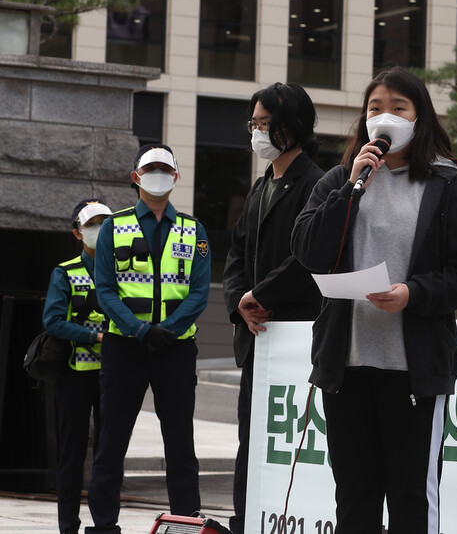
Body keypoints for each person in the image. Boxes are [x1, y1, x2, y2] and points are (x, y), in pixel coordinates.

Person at [291, 66, 457, 534]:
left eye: (398, 108)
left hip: (413, 371)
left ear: (419, 118)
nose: (385, 117)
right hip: (348, 366)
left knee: (410, 500)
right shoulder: (341, 180)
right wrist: (351, 187)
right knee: (355, 499)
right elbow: (307, 250)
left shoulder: (448, 186)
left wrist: (412, 293)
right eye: (375, 108)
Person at [86, 144, 211, 534]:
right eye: (150, 168)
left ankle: (187, 525)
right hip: (126, 347)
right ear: (135, 176)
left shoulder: (195, 230)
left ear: (175, 176)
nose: (157, 173)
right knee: (111, 444)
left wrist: (167, 330)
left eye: (164, 168)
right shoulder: (114, 226)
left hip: (174, 350)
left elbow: (199, 292)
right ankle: (104, 527)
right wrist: (140, 329)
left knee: (180, 446)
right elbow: (105, 289)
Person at [223, 82, 324, 534]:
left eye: (267, 124)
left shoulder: (318, 183)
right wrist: (239, 302)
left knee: (297, 446)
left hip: (297, 337)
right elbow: (235, 253)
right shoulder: (261, 185)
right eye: (255, 124)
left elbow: (309, 255)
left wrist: (261, 295)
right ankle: (247, 519)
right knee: (252, 443)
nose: (258, 133)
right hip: (257, 338)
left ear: (294, 127)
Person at [43, 198, 112, 534]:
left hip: (113, 376)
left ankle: (103, 525)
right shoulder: (65, 272)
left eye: (105, 223)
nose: (99, 230)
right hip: (74, 376)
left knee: (107, 455)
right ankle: (68, 526)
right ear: (77, 233)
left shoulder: (125, 271)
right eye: (92, 224)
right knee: (72, 456)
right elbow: (53, 322)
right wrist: (94, 337)